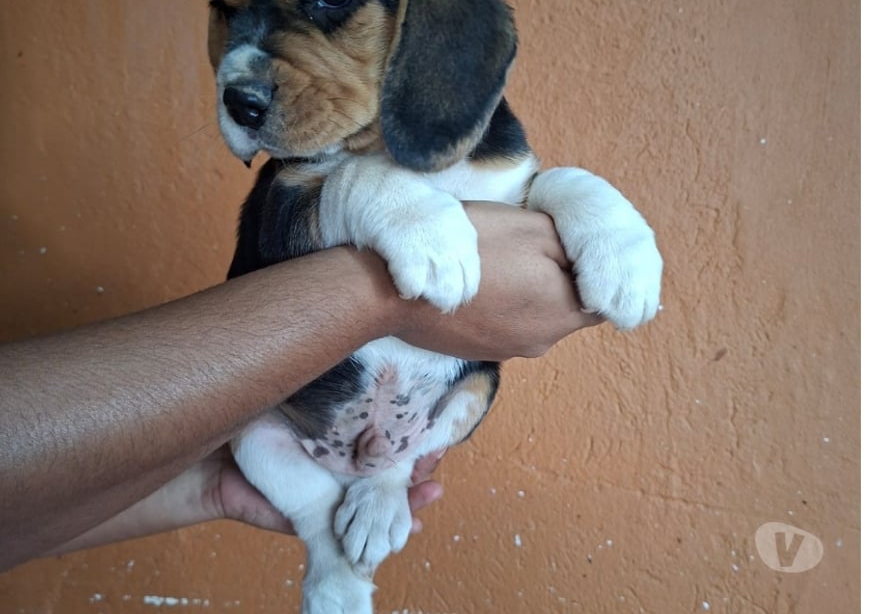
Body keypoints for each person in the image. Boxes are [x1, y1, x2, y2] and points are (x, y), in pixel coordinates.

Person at [0, 202, 601, 573]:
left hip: (378, 428)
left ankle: (384, 478)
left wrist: (384, 475)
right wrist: (377, 302)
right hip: (294, 421)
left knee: (470, 393)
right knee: (256, 433)